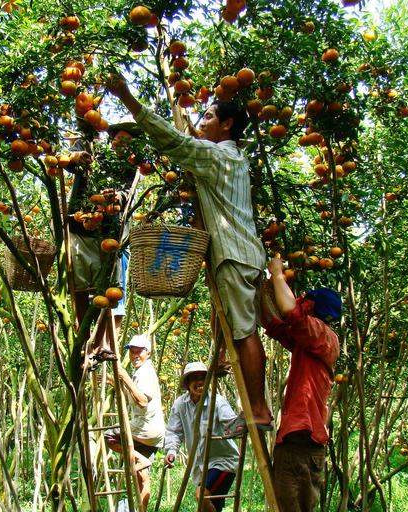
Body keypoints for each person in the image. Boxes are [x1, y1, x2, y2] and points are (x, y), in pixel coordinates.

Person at [107, 76, 272, 437]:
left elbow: (174, 141)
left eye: (210, 116)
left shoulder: (220, 156)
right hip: (238, 255)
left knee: (244, 333)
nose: (202, 123)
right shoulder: (229, 158)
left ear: (228, 124)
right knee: (230, 327)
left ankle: (258, 411)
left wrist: (129, 99)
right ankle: (249, 398)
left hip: (233, 255)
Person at [259, 256, 341, 512]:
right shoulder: (309, 343)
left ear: (314, 309)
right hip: (304, 443)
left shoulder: (321, 334)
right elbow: (276, 326)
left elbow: (288, 313)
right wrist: (260, 288)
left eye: (305, 301)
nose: (300, 302)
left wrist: (277, 274)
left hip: (299, 442)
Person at [67, 122, 142, 364]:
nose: (121, 144)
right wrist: (77, 156)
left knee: (108, 289)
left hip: (109, 233)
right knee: (79, 284)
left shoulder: (132, 168)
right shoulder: (93, 153)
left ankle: (97, 342)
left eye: (128, 141)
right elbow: (68, 159)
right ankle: (83, 336)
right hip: (80, 225)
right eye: (119, 138)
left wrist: (116, 197)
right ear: (110, 141)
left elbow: (126, 194)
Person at [164, 362, 240, 512]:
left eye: (203, 378)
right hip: (200, 466)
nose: (199, 382)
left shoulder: (217, 402)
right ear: (187, 383)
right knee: (210, 506)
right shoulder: (180, 404)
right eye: (194, 379)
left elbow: (231, 421)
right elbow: (174, 431)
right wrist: (171, 451)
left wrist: (238, 425)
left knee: (202, 495)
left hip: (222, 462)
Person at [102, 334, 165, 510]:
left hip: (143, 428)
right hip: (152, 432)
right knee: (142, 477)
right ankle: (142, 509)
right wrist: (116, 382)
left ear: (149, 354)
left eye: (139, 352)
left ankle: (142, 459)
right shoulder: (141, 372)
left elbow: (142, 401)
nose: (135, 355)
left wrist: (125, 377)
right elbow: (133, 394)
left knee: (108, 436)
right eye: (132, 352)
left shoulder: (145, 372)